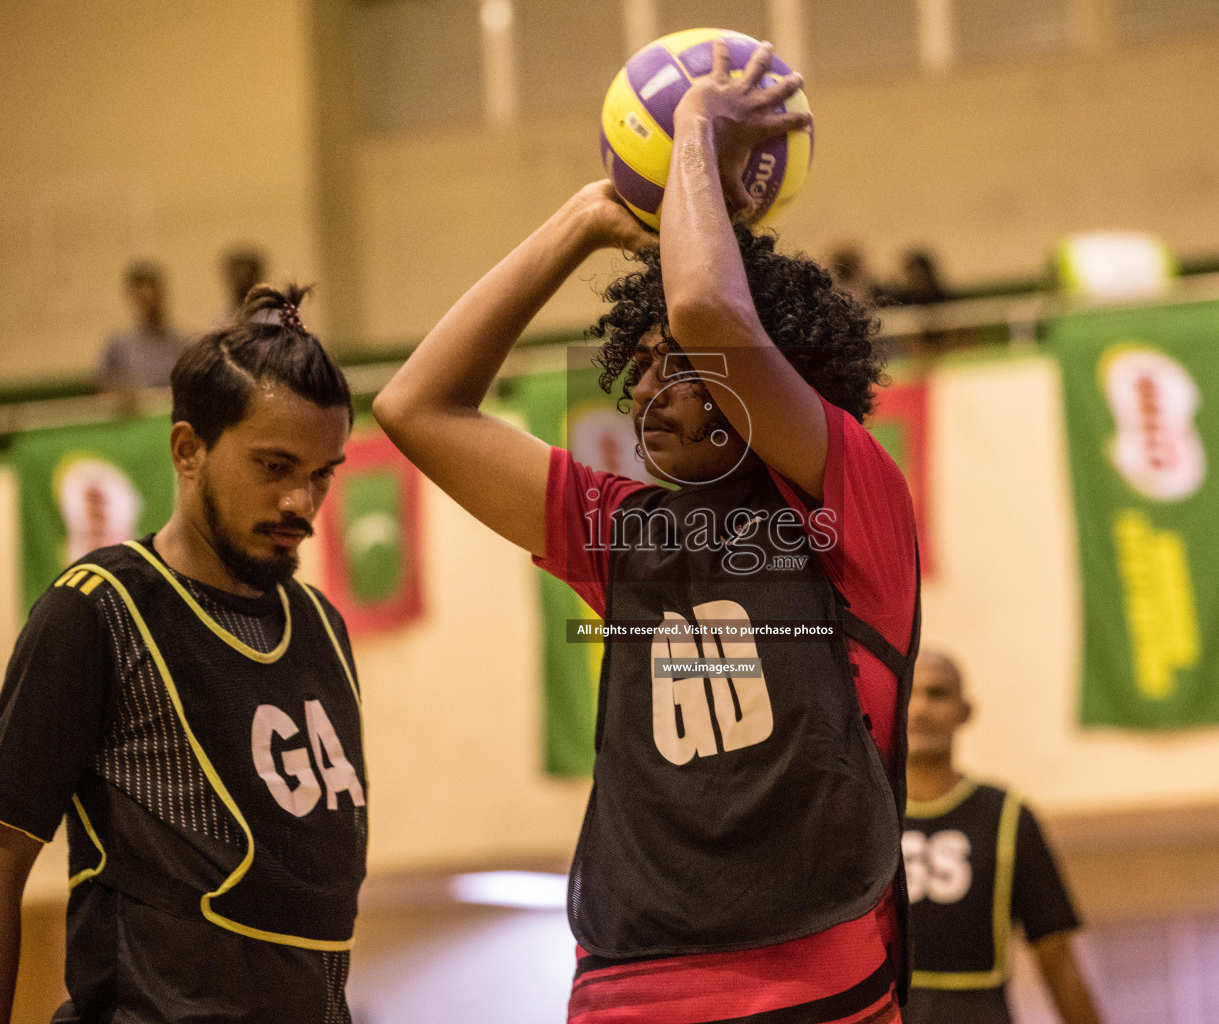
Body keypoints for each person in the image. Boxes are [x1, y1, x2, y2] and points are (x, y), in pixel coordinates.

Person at [375, 38, 920, 1024]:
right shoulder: (621, 533)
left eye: (682, 367)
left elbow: (709, 305)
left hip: (814, 982)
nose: (647, 392)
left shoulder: (852, 501)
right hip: (628, 986)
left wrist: (696, 135)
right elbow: (418, 407)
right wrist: (579, 224)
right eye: (642, 366)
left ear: (776, 375)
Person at [0, 286, 368, 1024]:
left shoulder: (323, 627)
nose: (303, 501)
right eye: (275, 467)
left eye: (322, 472)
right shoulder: (97, 610)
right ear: (187, 450)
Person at [904, 652, 1103, 1024]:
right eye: (909, 693)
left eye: (937, 693)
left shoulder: (1007, 815)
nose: (921, 708)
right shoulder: (861, 815)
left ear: (966, 711)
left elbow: (1057, 958)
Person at [95, 259, 189, 395]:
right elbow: (102, 381)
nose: (150, 303)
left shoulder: (182, 343)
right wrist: (119, 392)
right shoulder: (119, 345)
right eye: (143, 298)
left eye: (154, 295)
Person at [223, 246, 267, 318]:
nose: (242, 281)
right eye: (237, 274)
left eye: (246, 275)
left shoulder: (271, 316)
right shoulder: (223, 319)